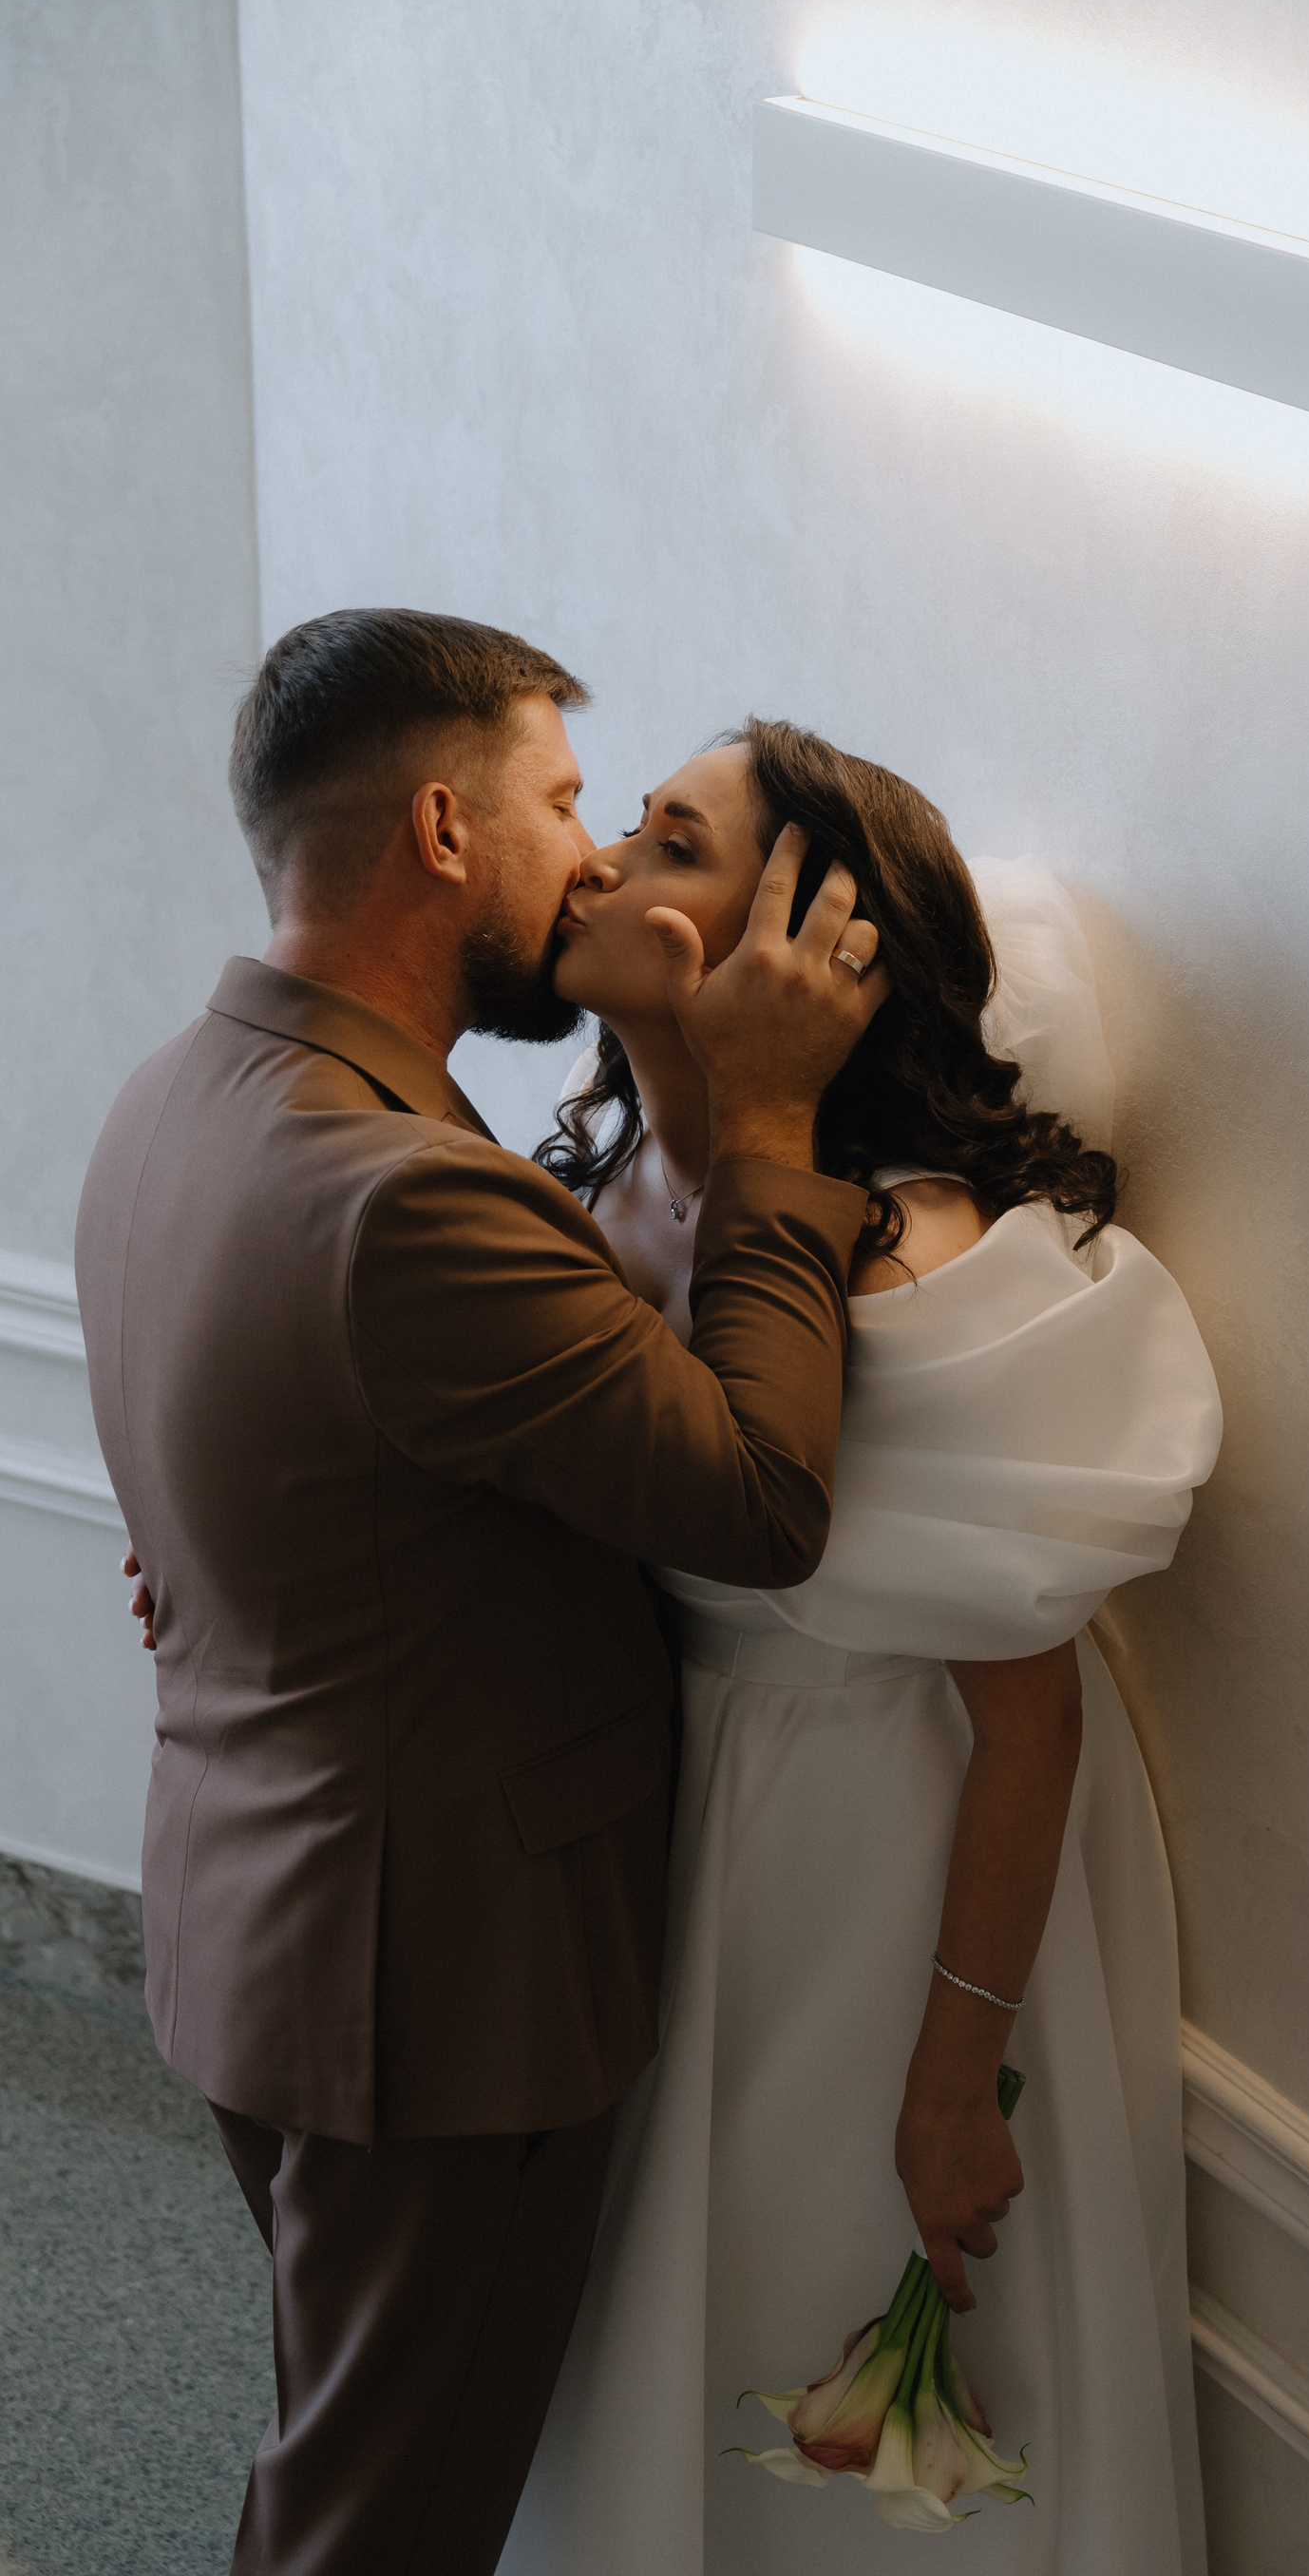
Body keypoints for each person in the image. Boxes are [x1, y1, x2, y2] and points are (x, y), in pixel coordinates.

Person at [78, 613, 888, 2576]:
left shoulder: (176, 1093)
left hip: (262, 1911)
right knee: (379, 2527)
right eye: (564, 801)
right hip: (433, 1989)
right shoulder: (409, 1195)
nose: (591, 855)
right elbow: (764, 1499)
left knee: (346, 2454)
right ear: (444, 831)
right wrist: (777, 1124)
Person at [500, 720, 1223, 2576]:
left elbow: (1033, 1724)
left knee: (815, 2263)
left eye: (671, 842)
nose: (597, 866)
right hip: (682, 1805)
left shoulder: (907, 1265)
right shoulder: (596, 1175)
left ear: (811, 947)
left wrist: (950, 2081)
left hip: (888, 1841)